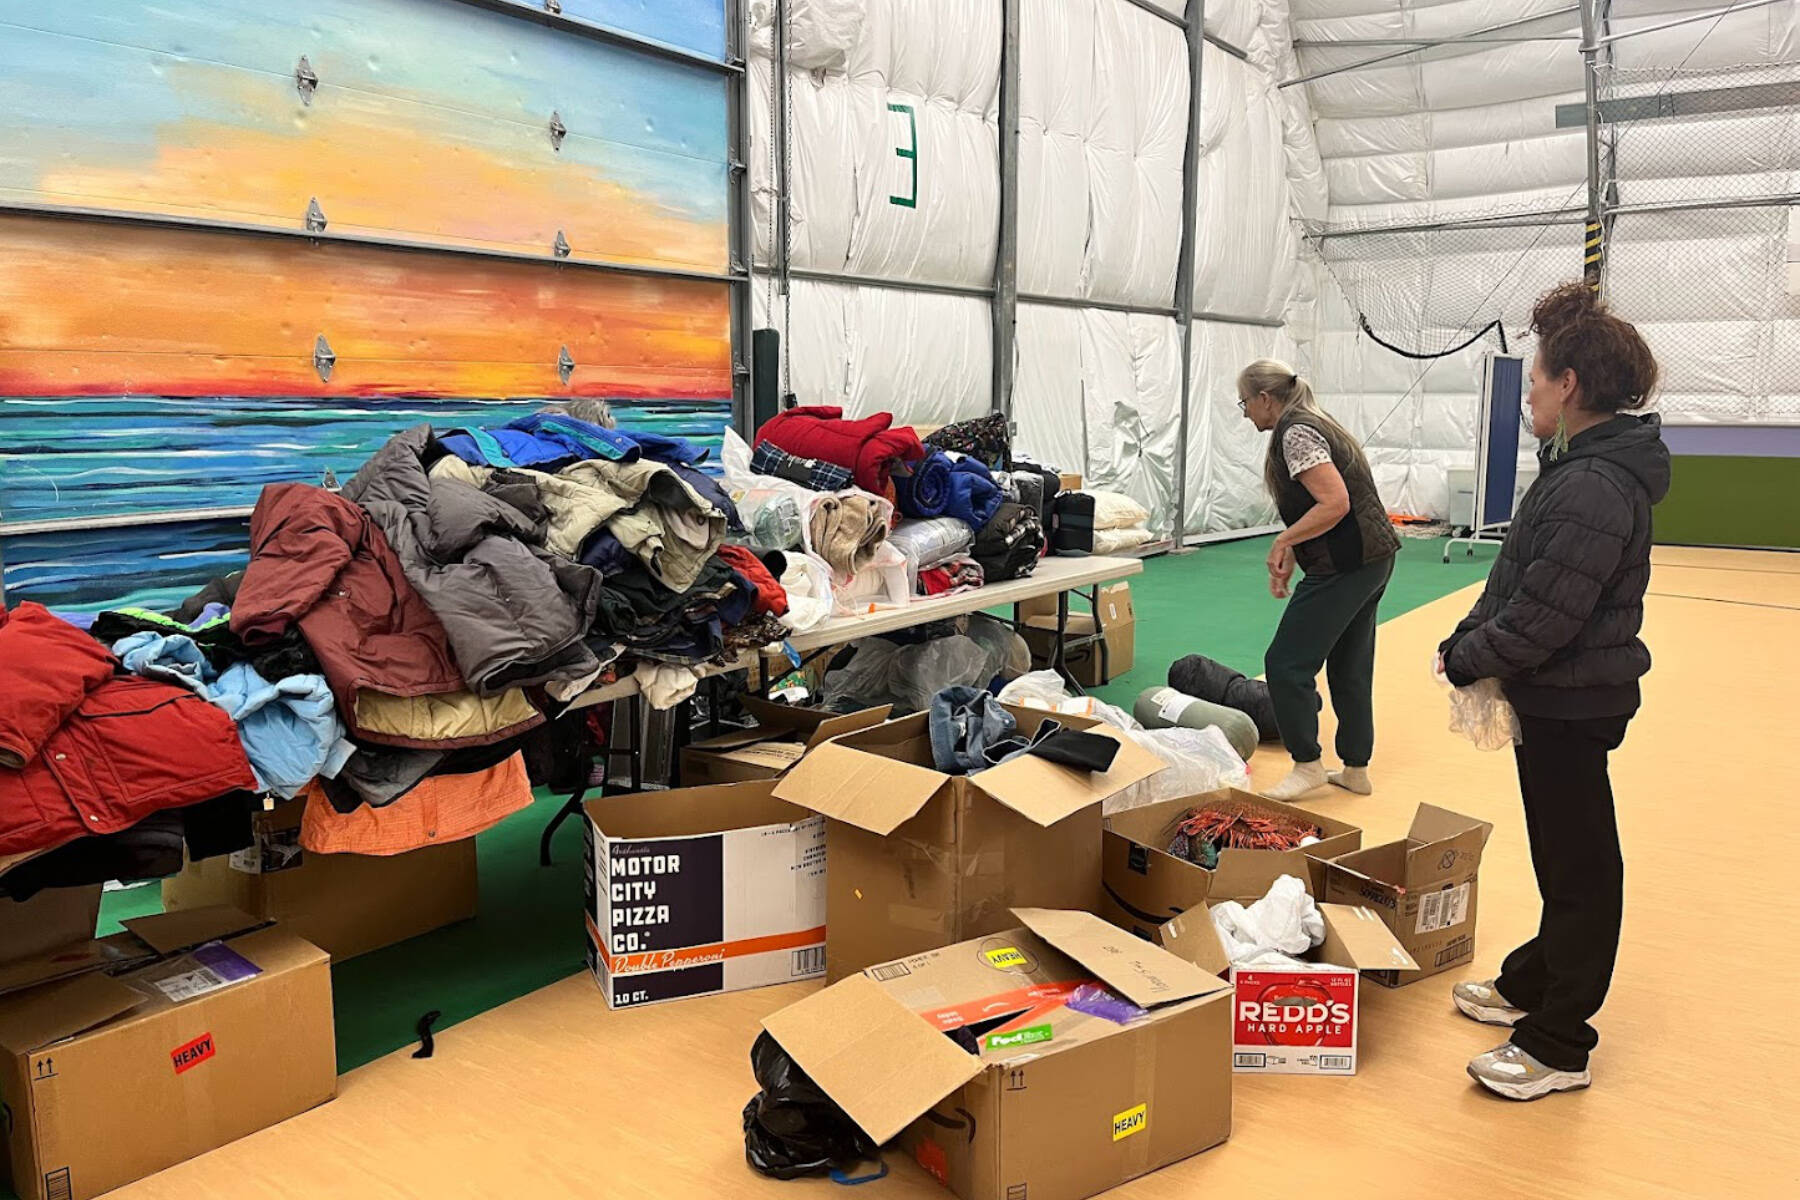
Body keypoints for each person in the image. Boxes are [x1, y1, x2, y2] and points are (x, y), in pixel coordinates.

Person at [1440, 282, 1667, 1101]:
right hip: (1558, 698)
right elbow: (1515, 580)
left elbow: (1547, 614)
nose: (1528, 390)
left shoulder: (1594, 487)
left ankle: (1559, 1042)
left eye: (1537, 377)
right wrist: (1466, 635)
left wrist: (1470, 657)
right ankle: (1533, 981)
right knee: (1564, 855)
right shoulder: (1574, 471)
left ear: (1570, 384)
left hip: (1575, 699)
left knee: (1580, 868)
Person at [1238, 359, 1400, 801]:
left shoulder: (1295, 432)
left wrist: (1283, 541)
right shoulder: (1315, 422)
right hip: (1374, 558)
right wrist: (1293, 547)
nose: (1246, 412)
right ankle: (1355, 768)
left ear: (1265, 399)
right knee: (1350, 665)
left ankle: (1307, 763)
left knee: (1286, 664)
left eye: (1245, 403)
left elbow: (1334, 502)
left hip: (1346, 564)